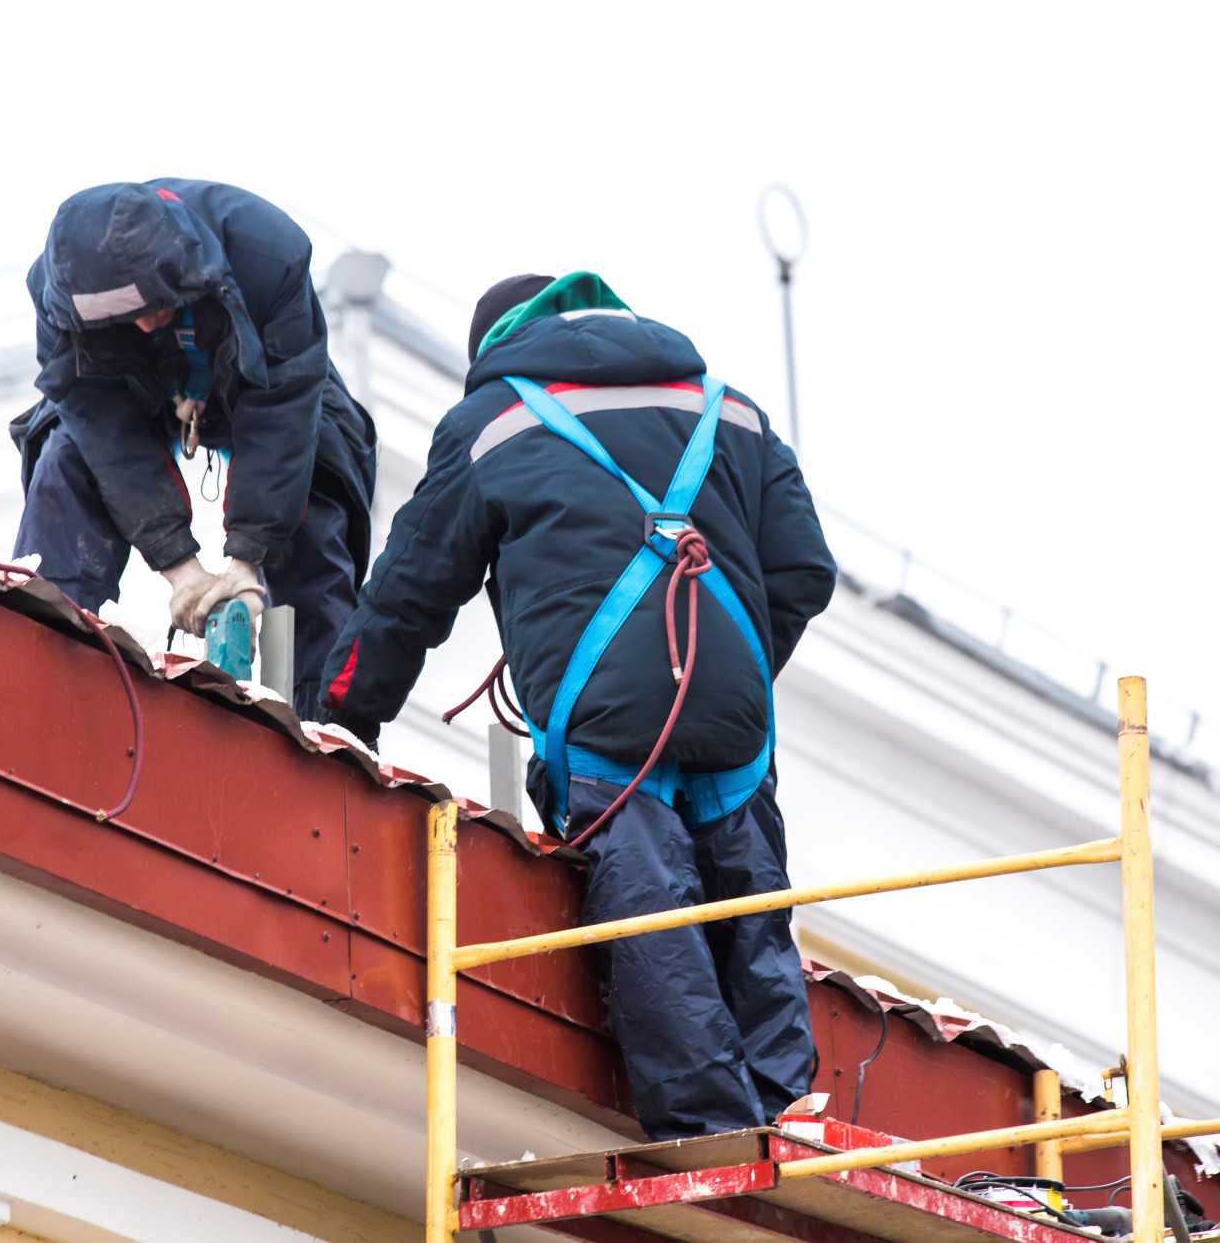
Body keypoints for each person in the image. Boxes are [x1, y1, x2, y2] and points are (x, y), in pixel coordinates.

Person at [316, 272, 837, 1140]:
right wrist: (731, 673)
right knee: (746, 901)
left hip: (603, 723)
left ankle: (711, 1130)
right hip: (733, 707)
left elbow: (407, 595)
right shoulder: (729, 407)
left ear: (499, 349)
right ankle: (787, 1111)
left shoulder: (494, 421)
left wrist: (346, 714)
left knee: (651, 907)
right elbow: (805, 569)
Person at [9, 179, 377, 717]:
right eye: (124, 319)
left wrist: (246, 560)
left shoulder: (268, 253)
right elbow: (110, 443)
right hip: (137, 390)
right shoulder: (58, 302)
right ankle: (41, 670)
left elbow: (279, 414)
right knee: (64, 458)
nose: (143, 323)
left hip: (263, 383)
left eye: (153, 307)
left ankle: (332, 725)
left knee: (317, 479)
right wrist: (180, 568)